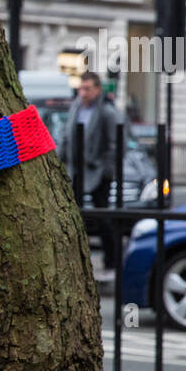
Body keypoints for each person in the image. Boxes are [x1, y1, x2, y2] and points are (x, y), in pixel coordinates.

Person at [61, 72, 118, 272]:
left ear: (97, 89)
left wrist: (105, 170)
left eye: (87, 89)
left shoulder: (107, 112)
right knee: (72, 215)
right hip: (76, 170)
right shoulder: (75, 107)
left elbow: (114, 144)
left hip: (97, 172)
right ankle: (74, 260)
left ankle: (112, 261)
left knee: (102, 217)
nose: (83, 93)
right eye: (81, 88)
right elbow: (66, 136)